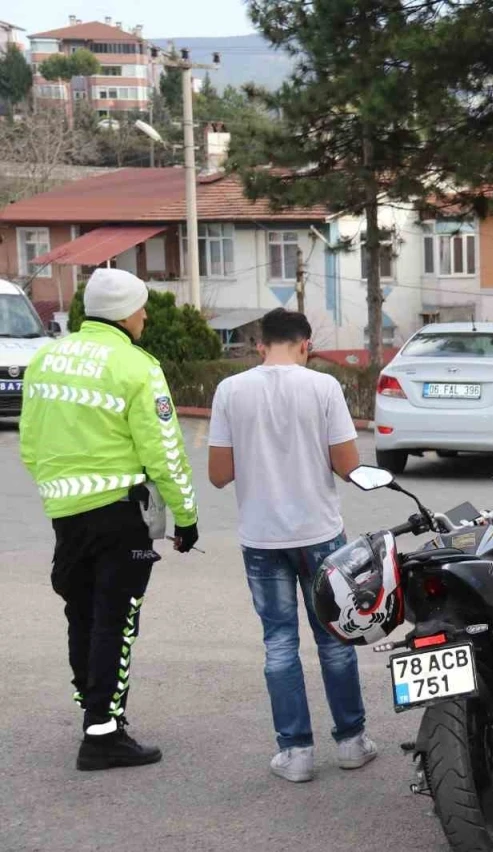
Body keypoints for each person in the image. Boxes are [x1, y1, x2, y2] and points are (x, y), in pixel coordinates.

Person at [19, 268, 200, 771]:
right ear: (125, 313)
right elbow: (164, 451)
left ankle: (94, 713)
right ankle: (103, 733)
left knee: (81, 613)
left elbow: (30, 442)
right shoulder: (136, 366)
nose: (145, 317)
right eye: (142, 308)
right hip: (121, 513)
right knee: (116, 620)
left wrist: (58, 489)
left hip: (65, 512)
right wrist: (186, 516)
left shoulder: (46, 359)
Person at [207, 308, 376, 782]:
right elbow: (348, 465)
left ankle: (296, 753)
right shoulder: (324, 387)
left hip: (261, 538)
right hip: (321, 534)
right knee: (335, 639)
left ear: (260, 346)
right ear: (306, 345)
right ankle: (351, 743)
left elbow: (219, 474)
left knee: (279, 643)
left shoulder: (230, 391)